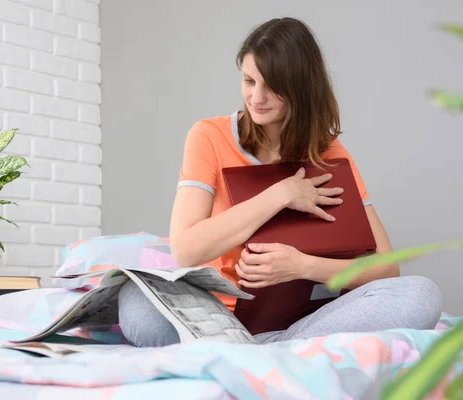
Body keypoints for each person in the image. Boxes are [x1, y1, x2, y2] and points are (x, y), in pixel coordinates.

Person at [118, 17, 443, 347]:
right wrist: (282, 194)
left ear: (300, 87)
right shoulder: (208, 136)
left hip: (299, 320)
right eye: (248, 80)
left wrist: (300, 266)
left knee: (421, 295)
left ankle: (272, 346)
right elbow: (186, 251)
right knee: (136, 306)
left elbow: (386, 270)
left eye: (271, 85)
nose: (256, 97)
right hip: (215, 314)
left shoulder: (329, 153)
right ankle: (273, 347)